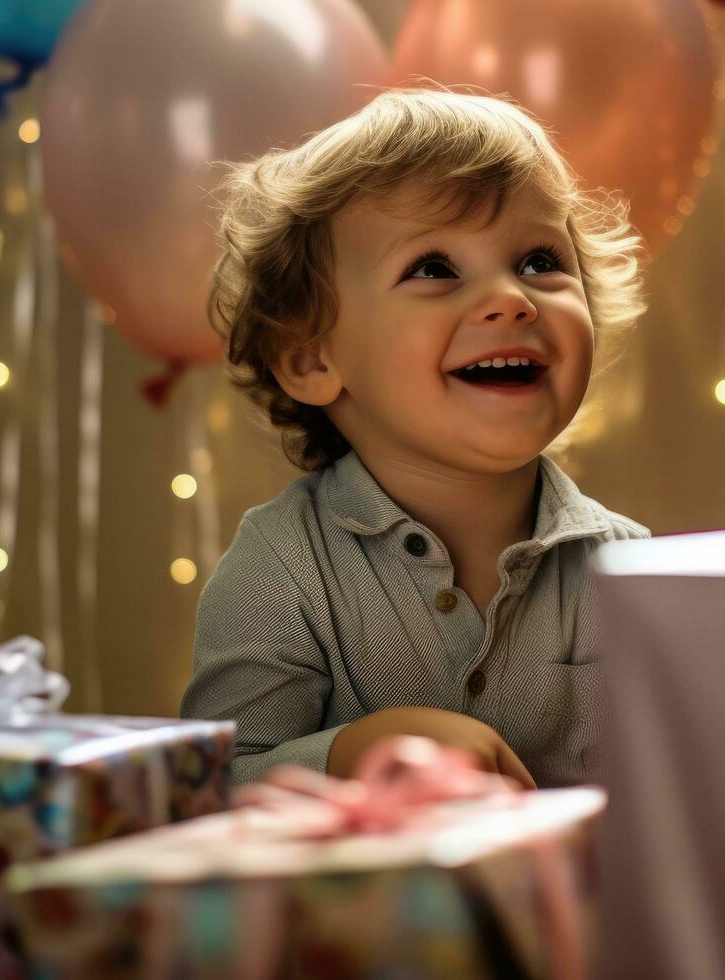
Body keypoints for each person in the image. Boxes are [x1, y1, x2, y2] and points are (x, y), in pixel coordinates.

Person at [180, 87, 649, 788]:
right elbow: (208, 789)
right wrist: (358, 749)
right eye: (433, 269)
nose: (511, 298)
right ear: (312, 359)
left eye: (539, 262)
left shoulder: (631, 573)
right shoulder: (281, 568)